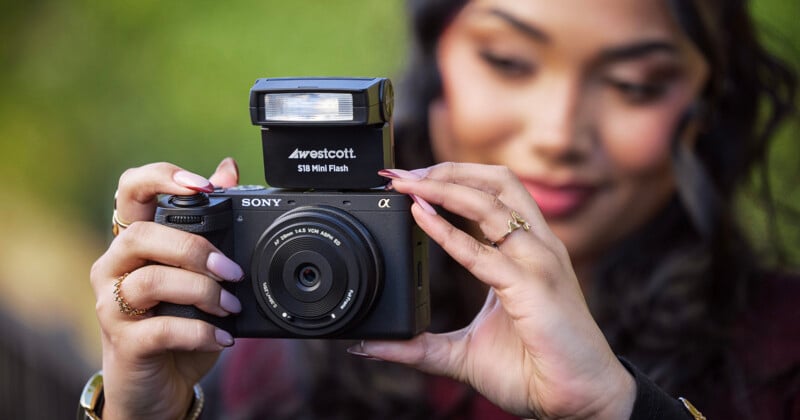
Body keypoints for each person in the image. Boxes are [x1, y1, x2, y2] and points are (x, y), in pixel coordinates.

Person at [85, 0, 799, 418]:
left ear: (712, 103)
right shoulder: (280, 349)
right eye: (510, 62)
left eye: (637, 84)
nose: (557, 134)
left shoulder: (786, 352)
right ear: (436, 67)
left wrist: (616, 408)